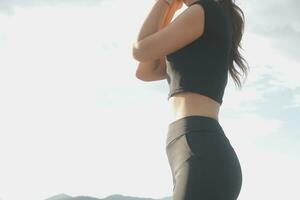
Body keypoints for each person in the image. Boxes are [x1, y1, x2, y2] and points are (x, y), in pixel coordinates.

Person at [132, 0, 249, 199]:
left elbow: (140, 50)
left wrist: (164, 3)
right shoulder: (202, 21)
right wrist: (169, 10)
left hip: (201, 150)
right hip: (195, 149)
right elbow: (145, 70)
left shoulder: (203, 11)